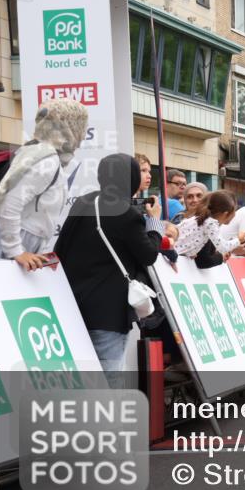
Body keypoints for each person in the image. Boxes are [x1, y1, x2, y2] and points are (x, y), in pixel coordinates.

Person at [55, 154, 164, 388]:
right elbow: (149, 254)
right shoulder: (127, 213)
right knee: (109, 380)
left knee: (79, 380)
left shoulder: (83, 202)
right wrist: (155, 224)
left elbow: (60, 249)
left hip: (73, 306)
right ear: (132, 178)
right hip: (108, 312)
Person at [0, 99, 89, 270]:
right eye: (82, 125)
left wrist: (38, 251)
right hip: (8, 244)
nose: (83, 134)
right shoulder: (46, 159)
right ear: (70, 126)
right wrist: (16, 250)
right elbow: (8, 202)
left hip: (14, 240)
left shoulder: (38, 153)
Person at [176, 191, 245, 261]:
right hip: (176, 256)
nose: (234, 215)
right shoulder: (210, 223)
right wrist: (239, 240)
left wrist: (190, 253)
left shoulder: (201, 218)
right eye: (234, 211)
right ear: (225, 214)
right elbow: (223, 247)